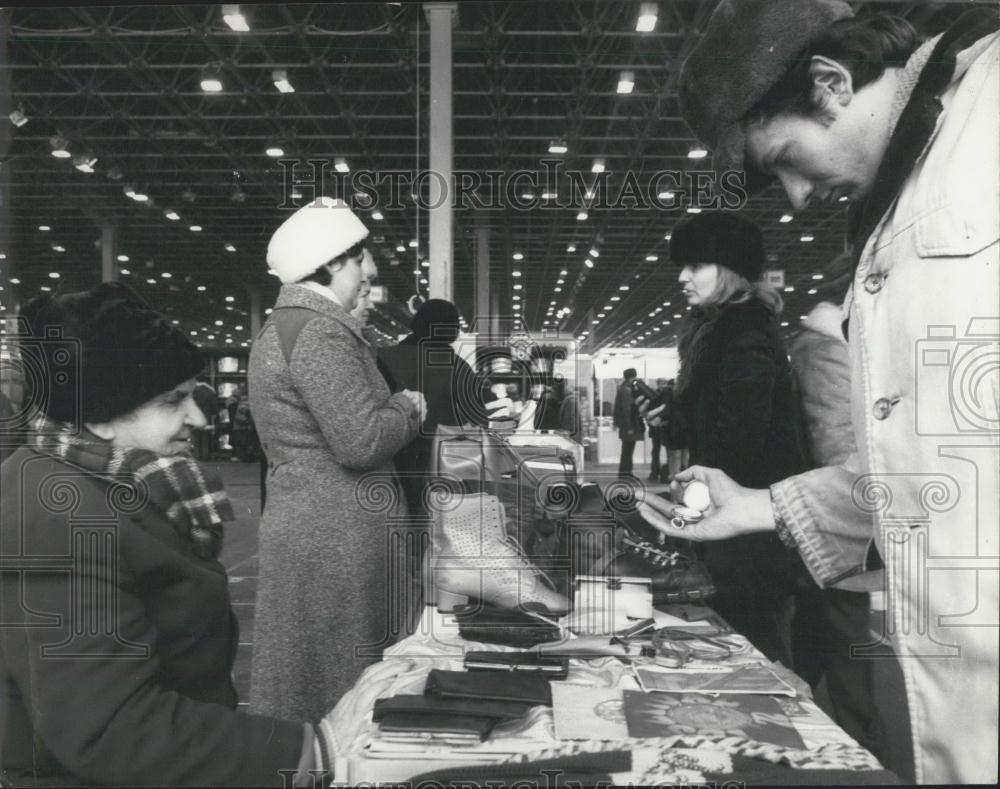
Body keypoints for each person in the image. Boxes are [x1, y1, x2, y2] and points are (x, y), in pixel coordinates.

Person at [640, 2, 998, 782]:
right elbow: (927, 472)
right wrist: (758, 505)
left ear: (831, 84)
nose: (797, 199)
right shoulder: (906, 186)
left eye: (788, 158)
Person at [0, 283, 335, 786]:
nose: (198, 418)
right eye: (172, 400)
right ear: (98, 415)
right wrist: (312, 750)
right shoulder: (60, 517)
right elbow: (111, 728)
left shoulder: (114, 482)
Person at [248, 198, 424, 722]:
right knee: (339, 691)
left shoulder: (294, 325)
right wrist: (407, 407)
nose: (368, 270)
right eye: (360, 259)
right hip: (334, 538)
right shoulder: (318, 331)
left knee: (312, 681)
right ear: (332, 263)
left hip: (319, 531)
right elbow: (361, 441)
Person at [665, 211, 809, 666]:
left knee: (755, 645)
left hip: (750, 530)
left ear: (729, 269)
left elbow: (739, 443)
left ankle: (781, 730)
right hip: (736, 520)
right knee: (740, 642)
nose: (683, 277)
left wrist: (689, 514)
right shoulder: (720, 330)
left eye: (696, 265)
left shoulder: (744, 333)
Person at [612, 368, 643, 478]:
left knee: (627, 450)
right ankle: (625, 473)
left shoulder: (623, 387)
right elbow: (627, 409)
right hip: (628, 426)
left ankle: (626, 473)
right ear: (633, 376)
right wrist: (630, 426)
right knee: (628, 450)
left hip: (625, 425)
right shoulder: (627, 389)